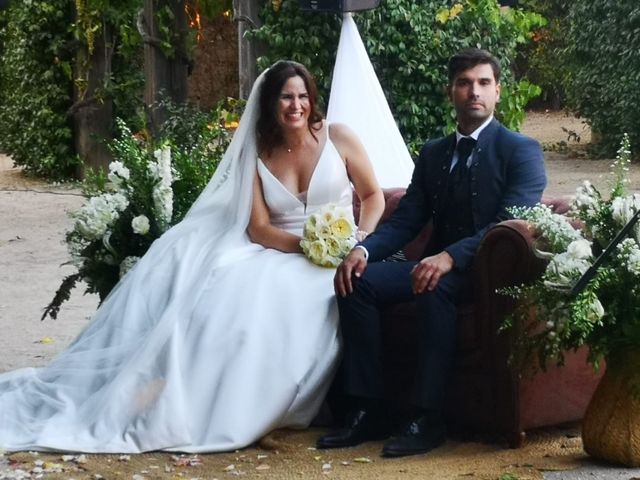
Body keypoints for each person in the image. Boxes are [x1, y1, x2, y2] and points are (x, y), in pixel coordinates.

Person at [0, 61, 385, 453]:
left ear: (312, 98)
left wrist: (361, 241)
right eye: (286, 96)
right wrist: (306, 246)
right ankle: (190, 404)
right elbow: (259, 229)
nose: (296, 105)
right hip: (282, 249)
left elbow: (373, 197)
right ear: (271, 102)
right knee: (231, 298)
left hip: (346, 251)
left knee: (294, 299)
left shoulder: (338, 137)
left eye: (302, 96)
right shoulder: (257, 151)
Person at [317, 48, 547, 457]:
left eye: (482, 83)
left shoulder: (520, 150)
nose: (473, 91)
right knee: (358, 282)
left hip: (484, 274)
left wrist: (451, 257)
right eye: (463, 83)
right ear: (451, 92)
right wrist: (364, 251)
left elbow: (511, 219)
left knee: (434, 287)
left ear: (497, 91)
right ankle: (368, 408)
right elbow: (407, 220)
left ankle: (428, 417)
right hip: (431, 266)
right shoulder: (434, 153)